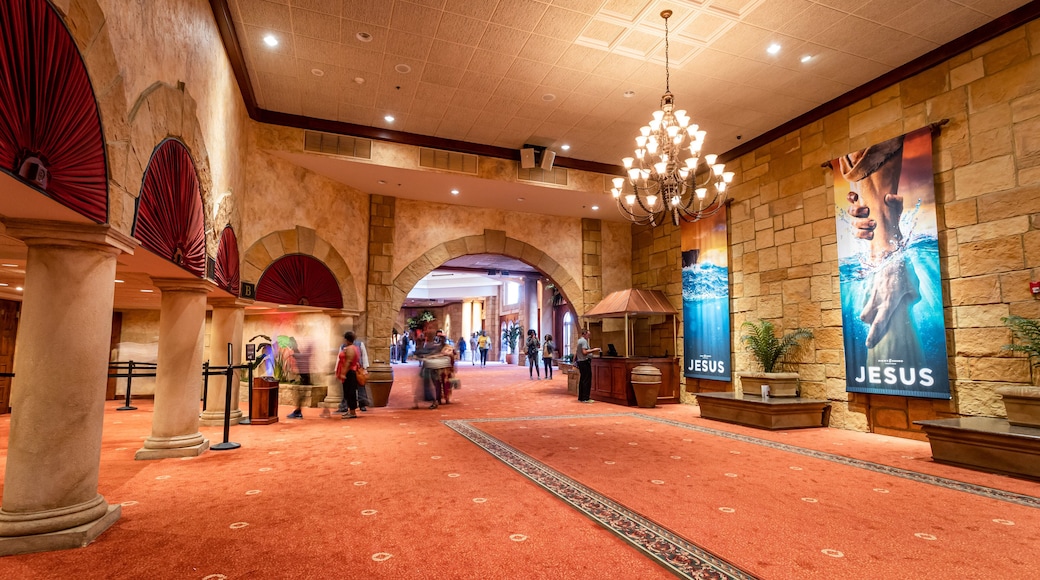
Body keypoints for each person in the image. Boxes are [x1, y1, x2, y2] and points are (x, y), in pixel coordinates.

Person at [334, 331, 361, 419]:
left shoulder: (350, 349)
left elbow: (348, 362)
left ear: (346, 339)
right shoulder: (353, 348)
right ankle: (351, 411)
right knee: (348, 392)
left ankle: (352, 412)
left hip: (350, 372)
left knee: (350, 392)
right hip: (350, 372)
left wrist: (343, 373)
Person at [575, 328, 600, 403]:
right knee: (587, 380)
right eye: (588, 334)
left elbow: (577, 352)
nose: (589, 336)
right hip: (585, 361)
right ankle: (586, 398)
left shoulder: (579, 340)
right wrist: (594, 349)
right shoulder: (584, 341)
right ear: (585, 333)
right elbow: (584, 352)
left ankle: (581, 397)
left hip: (580, 361)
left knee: (582, 379)